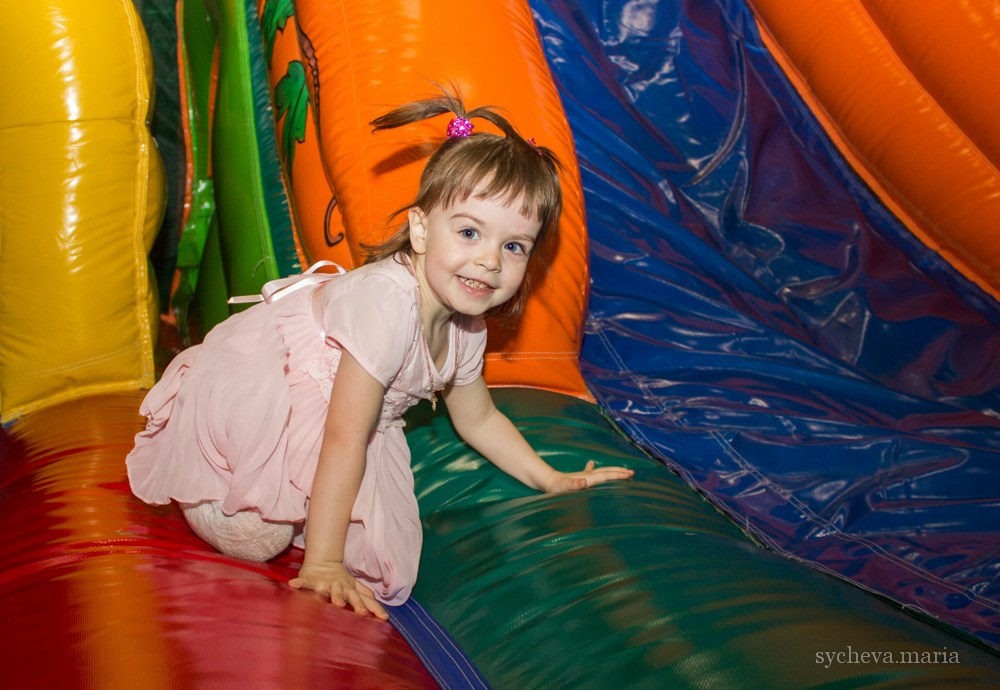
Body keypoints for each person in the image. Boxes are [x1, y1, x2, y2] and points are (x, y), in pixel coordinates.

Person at [126, 92, 634, 621]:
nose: (489, 261)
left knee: (384, 559)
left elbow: (479, 418)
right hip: (282, 391)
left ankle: (288, 502)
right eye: (468, 232)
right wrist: (322, 562)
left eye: (514, 247)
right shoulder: (389, 303)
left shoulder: (466, 326)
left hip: (354, 420)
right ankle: (210, 478)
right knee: (256, 538)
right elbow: (344, 436)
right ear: (419, 229)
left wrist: (548, 478)